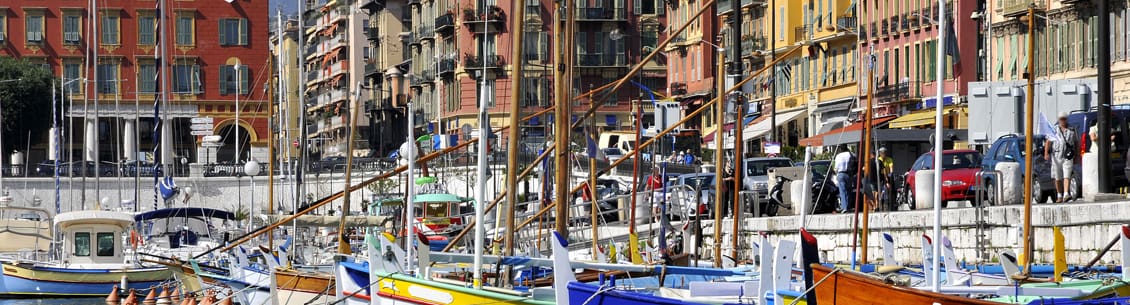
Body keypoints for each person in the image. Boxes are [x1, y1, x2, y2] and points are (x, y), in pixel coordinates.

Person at [1044, 113, 1076, 203]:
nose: (1063, 121)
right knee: (1057, 176)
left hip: (1068, 155)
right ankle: (1059, 195)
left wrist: (1076, 155)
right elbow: (1048, 142)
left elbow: (1076, 142)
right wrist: (1046, 153)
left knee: (1067, 174)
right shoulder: (1054, 130)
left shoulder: (1072, 129)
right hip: (1056, 155)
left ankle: (1066, 193)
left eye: (1064, 119)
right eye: (1061, 119)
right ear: (1058, 120)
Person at [832, 144, 855, 213]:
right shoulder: (850, 154)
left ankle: (844, 207)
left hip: (841, 174)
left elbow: (836, 167)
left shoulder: (838, 156)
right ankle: (848, 207)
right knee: (849, 191)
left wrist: (835, 173)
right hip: (849, 174)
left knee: (842, 191)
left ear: (840, 149)